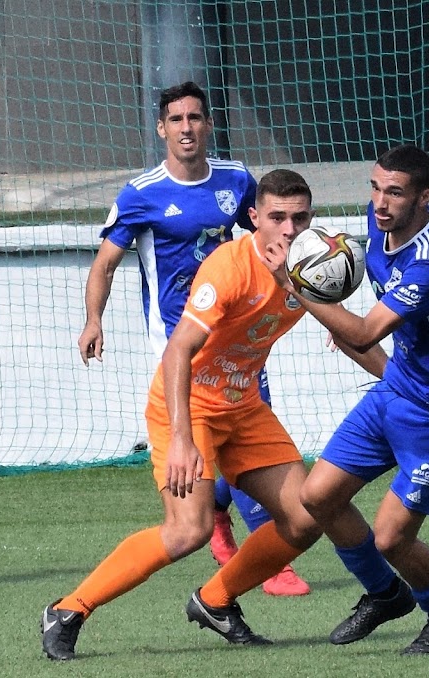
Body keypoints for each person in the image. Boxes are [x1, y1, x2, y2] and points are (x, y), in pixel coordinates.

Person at [44, 169, 388, 661]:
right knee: (189, 529)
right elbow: (178, 351)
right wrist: (183, 439)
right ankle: (68, 609)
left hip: (243, 407)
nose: (289, 230)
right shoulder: (229, 266)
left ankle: (215, 600)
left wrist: (400, 384)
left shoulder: (311, 270)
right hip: (185, 408)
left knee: (304, 516)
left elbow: (354, 336)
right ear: (254, 219)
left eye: (300, 217)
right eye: (277, 218)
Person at [76, 81, 308, 596]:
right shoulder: (141, 194)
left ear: (208, 125)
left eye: (195, 118)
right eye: (176, 120)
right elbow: (105, 265)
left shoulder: (236, 179)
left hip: (236, 334)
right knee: (201, 467)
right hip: (178, 344)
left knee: (245, 437)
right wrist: (94, 319)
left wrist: (321, 298)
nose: (187, 128)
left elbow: (272, 232)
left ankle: (254, 546)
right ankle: (232, 535)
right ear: (162, 129)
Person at [266, 144, 429, 654]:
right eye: (375, 187)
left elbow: (368, 330)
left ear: (425, 196)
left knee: (392, 537)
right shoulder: (378, 228)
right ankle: (385, 594)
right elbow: (361, 305)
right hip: (398, 388)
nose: (380, 201)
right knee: (318, 496)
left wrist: (297, 284)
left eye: (394, 191)